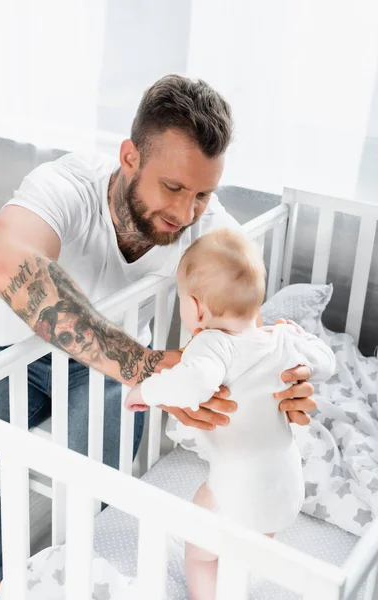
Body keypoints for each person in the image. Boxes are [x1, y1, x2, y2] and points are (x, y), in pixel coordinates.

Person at [0, 74, 316, 598]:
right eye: (174, 187)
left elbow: (249, 321)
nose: (185, 213)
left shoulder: (210, 228)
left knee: (97, 496)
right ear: (130, 157)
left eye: (203, 193)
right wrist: (144, 365)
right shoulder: (67, 184)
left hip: (102, 376)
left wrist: (281, 379)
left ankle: (63, 574)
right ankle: (1, 573)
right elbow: (7, 265)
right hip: (16, 352)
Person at [125, 228, 335, 600]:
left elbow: (193, 382)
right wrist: (299, 334)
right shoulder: (281, 339)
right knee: (243, 552)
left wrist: (146, 390)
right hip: (286, 490)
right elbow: (326, 363)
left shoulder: (212, 343)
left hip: (236, 491)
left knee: (202, 554)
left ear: (199, 309)